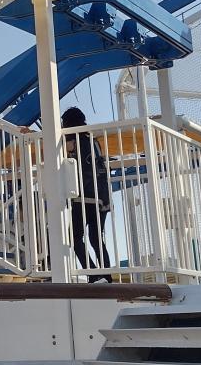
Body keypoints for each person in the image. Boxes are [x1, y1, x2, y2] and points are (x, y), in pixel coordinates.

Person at [62, 107, 113, 283]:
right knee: (96, 238)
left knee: (74, 238)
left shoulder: (75, 141)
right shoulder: (92, 140)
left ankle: (92, 274)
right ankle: (106, 276)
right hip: (102, 196)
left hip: (85, 196)